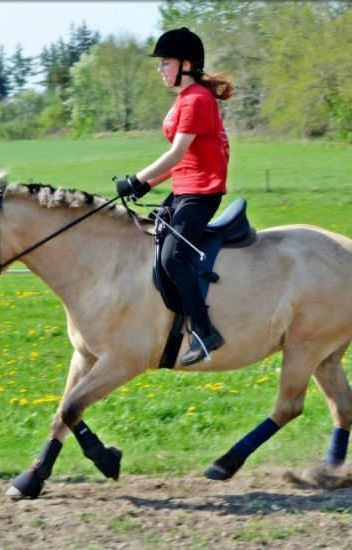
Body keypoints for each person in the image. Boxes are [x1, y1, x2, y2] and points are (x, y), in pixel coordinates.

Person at [116, 27, 234, 366]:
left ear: (186, 64)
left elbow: (179, 152)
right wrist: (148, 185)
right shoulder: (184, 99)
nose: (160, 69)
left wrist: (136, 178)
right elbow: (183, 158)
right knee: (148, 242)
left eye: (165, 63)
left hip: (201, 192)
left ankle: (204, 330)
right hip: (183, 188)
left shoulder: (197, 99)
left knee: (173, 258)